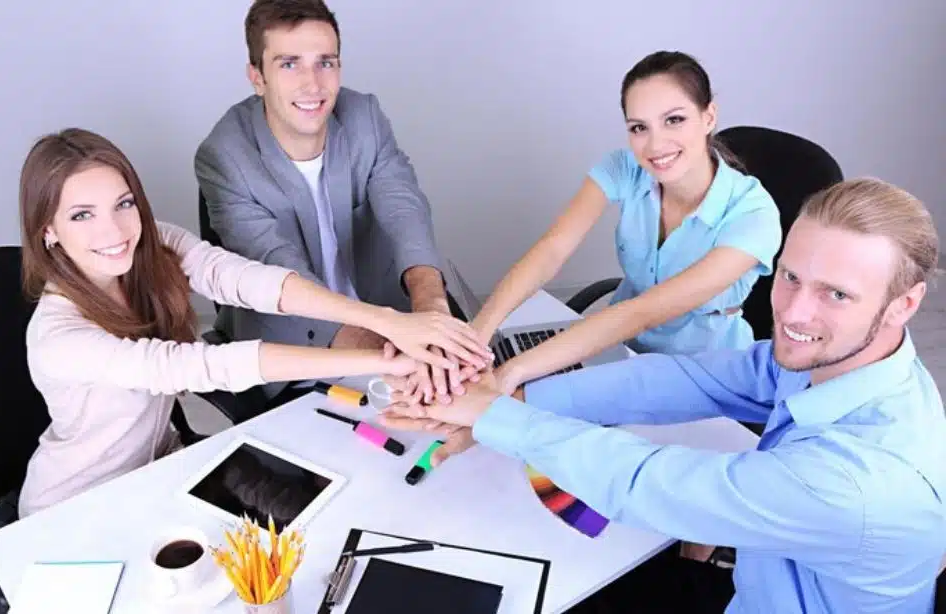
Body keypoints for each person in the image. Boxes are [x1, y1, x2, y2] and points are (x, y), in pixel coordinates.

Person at [382, 177, 946, 613]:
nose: (794, 313)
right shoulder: (844, 360)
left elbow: (647, 483)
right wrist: (521, 398)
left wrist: (495, 416)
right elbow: (693, 380)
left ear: (905, 304)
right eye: (790, 276)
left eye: (837, 294)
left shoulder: (859, 483)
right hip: (759, 577)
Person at [16, 128, 491, 517]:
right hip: (79, 506)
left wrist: (385, 321)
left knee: (323, 516)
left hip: (163, 466)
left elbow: (248, 280)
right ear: (48, 230)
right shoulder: (60, 336)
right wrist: (382, 357)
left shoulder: (151, 245)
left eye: (124, 204)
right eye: (82, 215)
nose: (115, 231)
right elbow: (200, 366)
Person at [453, 50, 782, 402]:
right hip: (616, 350)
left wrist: (512, 372)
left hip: (701, 374)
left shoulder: (754, 215)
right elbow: (552, 249)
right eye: (639, 128)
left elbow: (645, 312)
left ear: (708, 116)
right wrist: (475, 338)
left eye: (674, 120)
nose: (655, 145)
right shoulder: (625, 168)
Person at [195, 0, 462, 408]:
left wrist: (432, 309)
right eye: (289, 64)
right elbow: (285, 277)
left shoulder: (365, 117)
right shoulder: (224, 157)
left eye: (326, 62)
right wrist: (397, 358)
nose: (313, 85)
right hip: (294, 340)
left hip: (385, 315)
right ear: (257, 77)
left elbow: (405, 210)